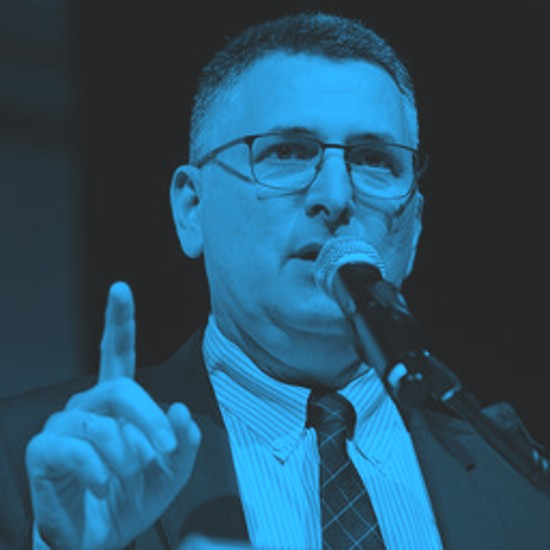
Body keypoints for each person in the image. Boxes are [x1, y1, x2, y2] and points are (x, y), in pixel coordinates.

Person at [1, 11, 549, 550]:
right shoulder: (32, 465)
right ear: (192, 209)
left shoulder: (522, 480)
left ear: (416, 227)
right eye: (287, 152)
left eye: (374, 160)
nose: (336, 196)